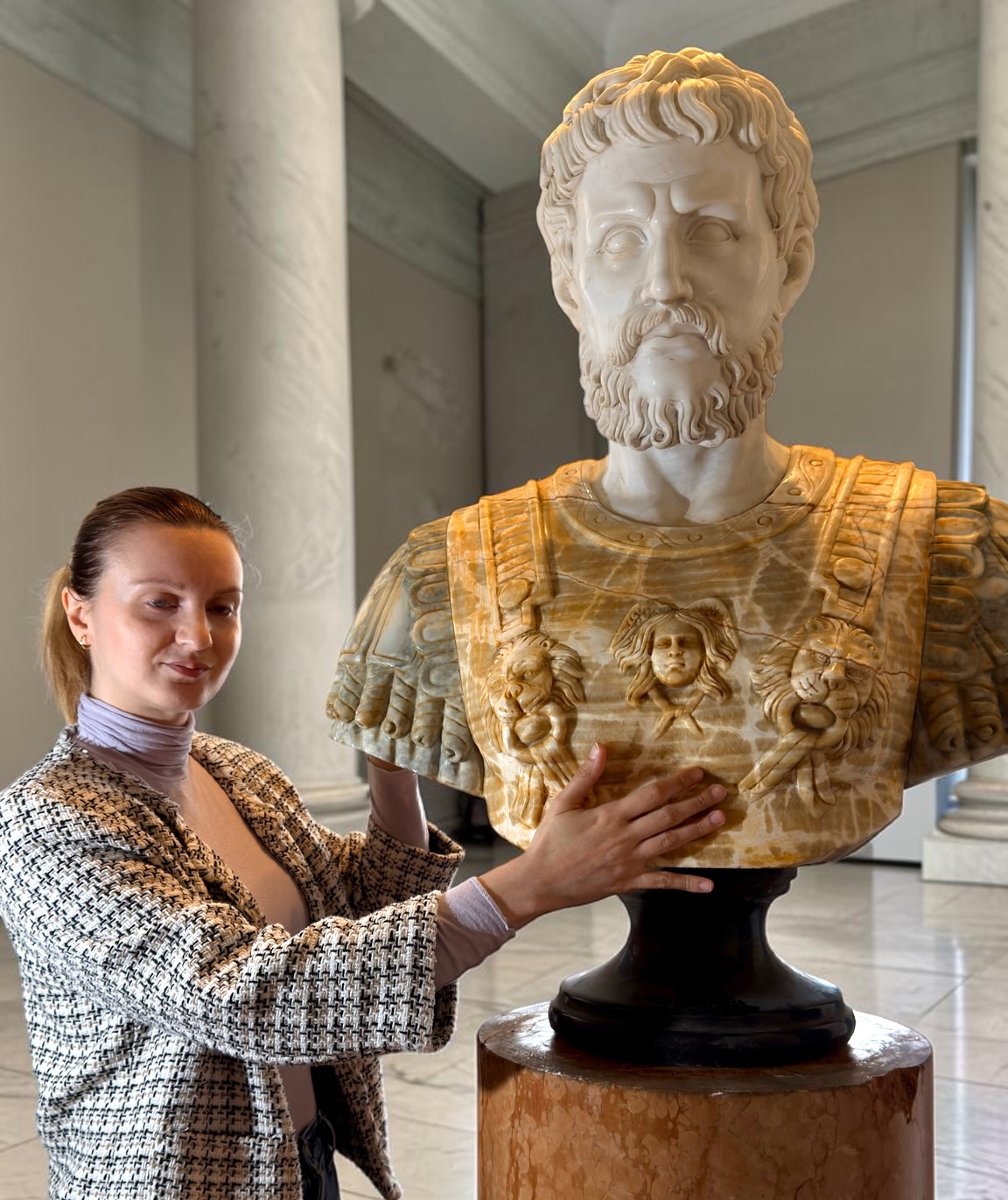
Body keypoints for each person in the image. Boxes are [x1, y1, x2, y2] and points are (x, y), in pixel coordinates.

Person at [328, 46, 1008, 867]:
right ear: (570, 282)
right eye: (621, 240)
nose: (665, 283)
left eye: (710, 231)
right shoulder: (440, 576)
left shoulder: (951, 552)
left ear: (789, 264)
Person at [0, 486, 726, 1200]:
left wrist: (391, 761)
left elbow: (358, 905)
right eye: (160, 603)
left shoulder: (236, 771)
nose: (200, 636)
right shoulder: (47, 820)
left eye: (223, 606)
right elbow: (237, 994)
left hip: (298, 1161)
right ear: (81, 614)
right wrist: (530, 885)